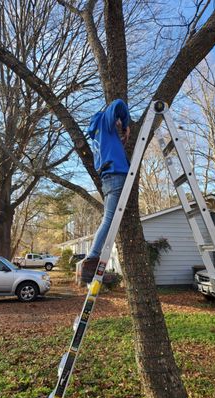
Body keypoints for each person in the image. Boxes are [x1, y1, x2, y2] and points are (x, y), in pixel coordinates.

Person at [81, 98, 130, 283]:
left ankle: (92, 257)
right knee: (108, 220)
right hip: (115, 176)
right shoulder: (104, 122)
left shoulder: (97, 135)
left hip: (108, 177)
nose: (116, 123)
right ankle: (93, 257)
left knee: (108, 219)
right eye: (114, 120)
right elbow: (118, 103)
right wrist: (125, 126)